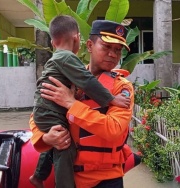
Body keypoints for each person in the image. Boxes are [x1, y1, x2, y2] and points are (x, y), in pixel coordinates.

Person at [30, 19, 140, 188]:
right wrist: (46, 138)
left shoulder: (121, 87)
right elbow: (39, 111)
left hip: (107, 179)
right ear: (89, 45)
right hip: (71, 177)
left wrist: (71, 104)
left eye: (118, 50)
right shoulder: (67, 72)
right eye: (106, 47)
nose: (113, 54)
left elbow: (114, 129)